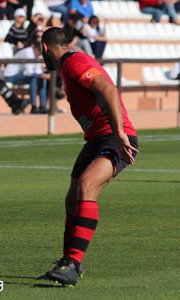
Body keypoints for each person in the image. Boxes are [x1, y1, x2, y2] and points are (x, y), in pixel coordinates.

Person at [39, 27, 138, 286]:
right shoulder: (70, 66)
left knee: (87, 185)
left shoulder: (74, 62)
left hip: (114, 137)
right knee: (72, 200)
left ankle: (72, 264)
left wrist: (119, 132)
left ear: (44, 48)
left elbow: (107, 88)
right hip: (96, 139)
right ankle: (68, 262)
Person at [4, 41, 49, 114]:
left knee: (42, 79)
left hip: (21, 75)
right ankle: (33, 106)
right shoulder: (28, 53)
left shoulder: (35, 55)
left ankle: (42, 106)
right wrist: (44, 75)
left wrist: (43, 76)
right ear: (36, 49)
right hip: (11, 75)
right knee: (33, 79)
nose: (41, 54)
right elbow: (29, 73)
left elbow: (37, 71)